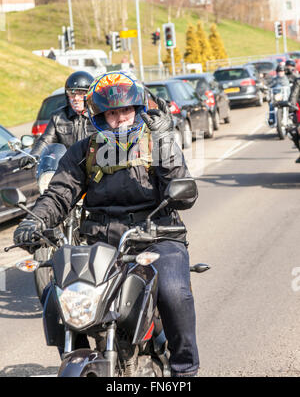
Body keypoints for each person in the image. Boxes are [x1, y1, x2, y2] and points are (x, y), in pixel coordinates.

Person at [13, 71, 200, 377]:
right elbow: (59, 193)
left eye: (126, 110)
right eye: (112, 112)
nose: (120, 119)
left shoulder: (156, 142)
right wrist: (34, 221)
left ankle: (185, 371)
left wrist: (165, 142)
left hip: (156, 235)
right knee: (57, 295)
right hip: (101, 242)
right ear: (100, 116)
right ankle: (77, 354)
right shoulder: (84, 151)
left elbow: (182, 191)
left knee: (173, 291)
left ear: (137, 110)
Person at [20, 71, 95, 169]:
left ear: (89, 94)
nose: (76, 98)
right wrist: (33, 155)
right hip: (68, 170)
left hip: (94, 169)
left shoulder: (98, 115)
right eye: (72, 93)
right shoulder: (59, 116)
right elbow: (45, 140)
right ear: (67, 95)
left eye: (81, 93)